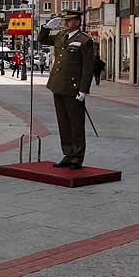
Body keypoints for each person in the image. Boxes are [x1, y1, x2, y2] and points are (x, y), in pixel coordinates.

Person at [38, 9, 95, 169]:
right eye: (65, 20)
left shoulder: (84, 40)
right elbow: (41, 39)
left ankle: (77, 156)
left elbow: (87, 68)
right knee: (63, 123)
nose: (66, 23)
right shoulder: (61, 36)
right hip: (58, 86)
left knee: (76, 124)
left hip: (73, 88)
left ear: (77, 21)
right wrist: (46, 27)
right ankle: (68, 153)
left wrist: (83, 90)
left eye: (69, 20)